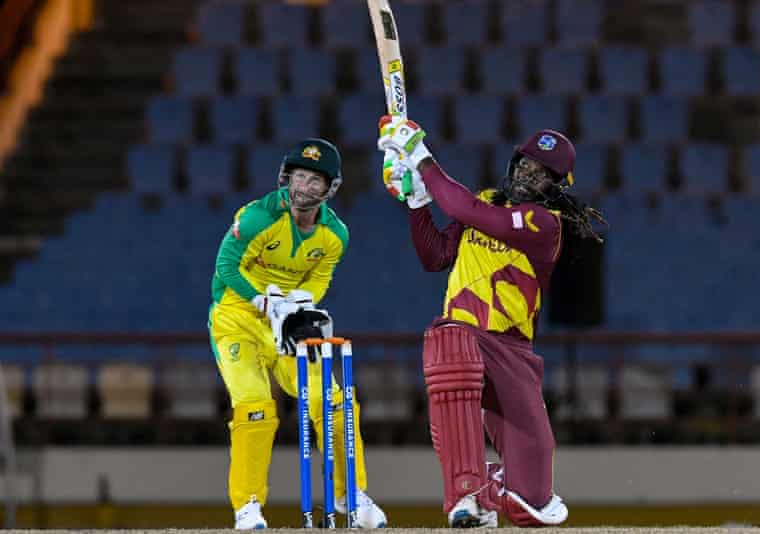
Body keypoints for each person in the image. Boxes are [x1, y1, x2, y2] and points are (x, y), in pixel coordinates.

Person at [378, 117, 606, 528]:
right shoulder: (485, 201)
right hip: (463, 336)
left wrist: (422, 160)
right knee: (450, 339)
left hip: (513, 350)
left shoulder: (546, 224)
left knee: (530, 504)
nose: (526, 175)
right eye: (524, 164)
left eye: (540, 173)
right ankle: (464, 494)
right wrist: (416, 203)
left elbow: (467, 208)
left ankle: (488, 490)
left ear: (556, 187)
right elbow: (435, 257)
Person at [208, 138, 387, 529]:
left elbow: (320, 278)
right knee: (255, 406)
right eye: (298, 176)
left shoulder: (335, 234)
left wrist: (299, 302)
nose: (302, 187)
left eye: (313, 181)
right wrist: (260, 300)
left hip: (286, 319)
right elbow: (225, 266)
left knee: (335, 402)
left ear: (330, 189)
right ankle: (248, 505)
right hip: (237, 316)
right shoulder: (258, 216)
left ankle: (349, 494)